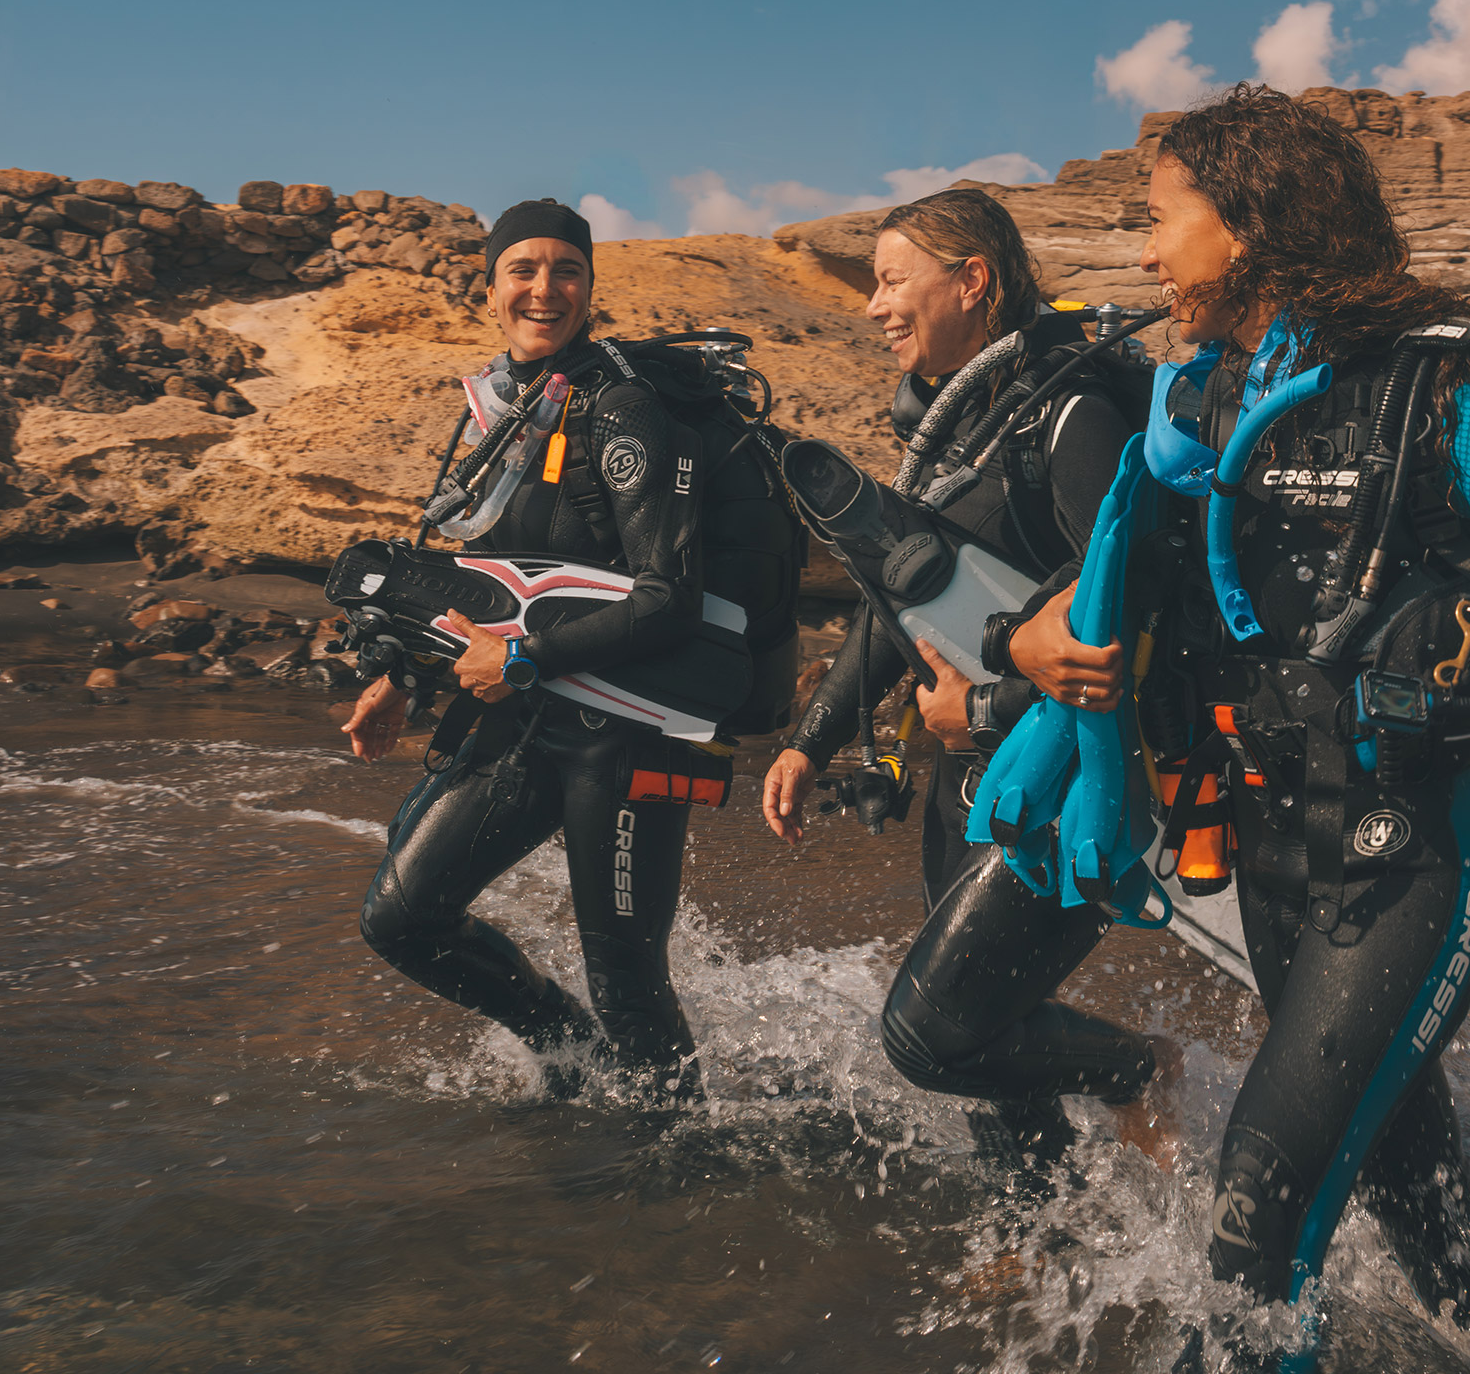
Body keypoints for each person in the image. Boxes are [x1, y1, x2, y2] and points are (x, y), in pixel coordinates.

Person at [990, 88, 1470, 1351]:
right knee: (1411, 1193)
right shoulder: (1203, 407)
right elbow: (1113, 582)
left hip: (1416, 855)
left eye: (1165, 219)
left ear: (1249, 225)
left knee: (1252, 1229)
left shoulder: (1447, 397)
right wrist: (1027, 638)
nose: (1151, 251)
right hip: (1276, 849)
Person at [754, 187, 1164, 1169]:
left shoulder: (1070, 409)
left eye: (894, 280)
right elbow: (905, 597)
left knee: (935, 1031)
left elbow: (1128, 615)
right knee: (981, 1023)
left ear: (972, 280)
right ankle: (1041, 1226)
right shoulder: (954, 432)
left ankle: (1144, 1071)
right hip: (966, 777)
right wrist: (815, 740)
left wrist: (983, 703)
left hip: (1066, 781)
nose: (872, 304)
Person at [342, 198, 728, 1095]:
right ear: (489, 292)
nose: (544, 289)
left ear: (590, 290)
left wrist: (520, 661)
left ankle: (681, 1163)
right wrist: (400, 674)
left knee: (628, 982)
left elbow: (671, 599)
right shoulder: (492, 413)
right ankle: (571, 1054)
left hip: (627, 730)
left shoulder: (624, 410)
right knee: (401, 917)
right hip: (520, 718)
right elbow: (467, 571)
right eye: (522, 270)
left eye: (566, 271)